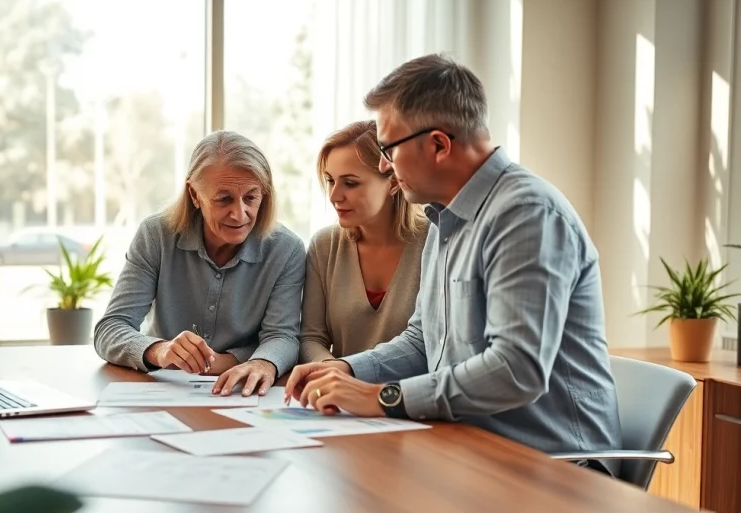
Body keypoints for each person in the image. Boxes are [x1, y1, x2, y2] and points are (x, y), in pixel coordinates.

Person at [285, 53, 622, 475]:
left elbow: (517, 370)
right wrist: (346, 369)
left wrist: (384, 397)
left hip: (557, 467)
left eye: (388, 148)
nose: (385, 165)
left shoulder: (526, 215)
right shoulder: (445, 218)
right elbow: (423, 341)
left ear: (439, 145)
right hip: (472, 449)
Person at [95, 130, 305, 398]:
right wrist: (161, 351)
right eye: (224, 199)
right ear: (195, 195)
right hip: (166, 389)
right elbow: (111, 327)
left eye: (251, 197)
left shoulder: (287, 249)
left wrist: (260, 363)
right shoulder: (155, 235)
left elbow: (283, 336)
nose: (240, 214)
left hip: (242, 394)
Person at [300, 120, 427, 364]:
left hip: (407, 398)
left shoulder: (435, 241)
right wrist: (333, 370)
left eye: (350, 183)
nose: (334, 196)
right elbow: (310, 338)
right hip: (337, 394)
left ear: (392, 182)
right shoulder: (325, 245)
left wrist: (350, 372)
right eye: (330, 180)